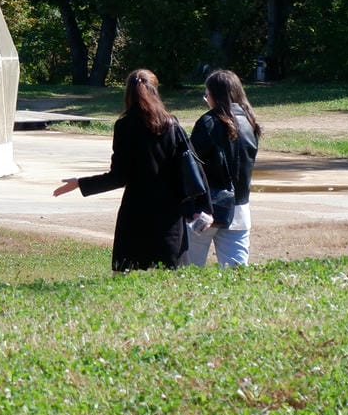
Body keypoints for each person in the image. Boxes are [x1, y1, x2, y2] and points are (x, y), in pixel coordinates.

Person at [53, 69, 203, 271]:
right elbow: (189, 168)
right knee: (170, 276)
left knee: (129, 271)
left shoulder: (124, 125)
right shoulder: (171, 124)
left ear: (128, 94)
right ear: (155, 91)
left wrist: (81, 183)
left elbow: (118, 177)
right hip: (169, 212)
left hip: (137, 210)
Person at [185, 69, 262, 268]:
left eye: (207, 94)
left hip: (207, 210)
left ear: (214, 95)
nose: (206, 99)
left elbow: (191, 166)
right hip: (239, 209)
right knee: (236, 274)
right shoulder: (251, 123)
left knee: (188, 271)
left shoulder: (208, 122)